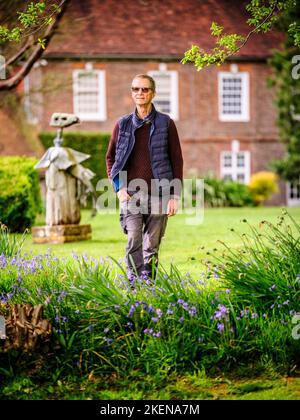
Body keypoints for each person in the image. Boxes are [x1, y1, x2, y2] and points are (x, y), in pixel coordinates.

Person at [106, 74, 183, 281]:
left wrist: (174, 196)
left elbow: (177, 161)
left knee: (152, 245)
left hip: (159, 195)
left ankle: (148, 284)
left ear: (153, 93)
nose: (140, 93)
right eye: (136, 89)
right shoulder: (122, 125)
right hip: (130, 195)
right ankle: (133, 283)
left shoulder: (166, 123)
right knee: (134, 240)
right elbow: (111, 158)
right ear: (132, 93)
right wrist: (119, 187)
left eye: (145, 89)